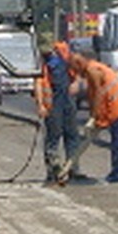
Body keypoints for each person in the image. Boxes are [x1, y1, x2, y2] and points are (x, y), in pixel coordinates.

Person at [68, 52, 118, 183]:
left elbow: (99, 96)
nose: (75, 72)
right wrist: (96, 117)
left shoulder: (93, 71)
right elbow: (93, 96)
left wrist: (96, 116)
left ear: (79, 63)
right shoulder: (92, 70)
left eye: (74, 68)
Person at [35, 40, 81, 183]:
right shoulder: (41, 63)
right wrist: (41, 105)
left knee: (72, 135)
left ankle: (72, 168)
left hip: (68, 100)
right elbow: (38, 83)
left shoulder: (64, 54)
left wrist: (76, 83)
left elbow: (78, 69)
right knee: (53, 136)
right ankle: (53, 170)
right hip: (53, 103)